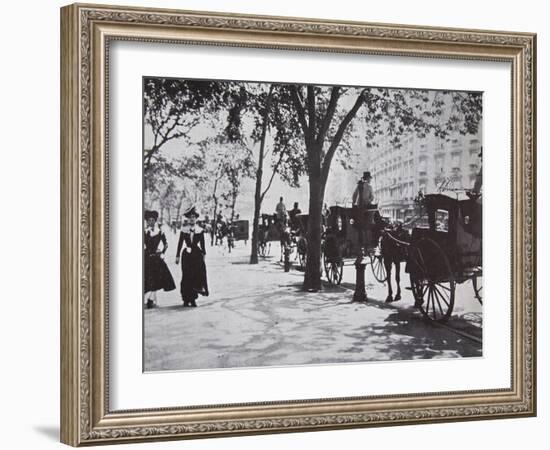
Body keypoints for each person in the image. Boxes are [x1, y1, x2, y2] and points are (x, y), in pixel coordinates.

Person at [176, 206, 209, 307]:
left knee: (196, 276)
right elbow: (180, 243)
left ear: (196, 218)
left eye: (194, 217)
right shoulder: (184, 230)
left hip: (197, 256)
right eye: (190, 217)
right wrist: (177, 256)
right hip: (186, 256)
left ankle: (193, 299)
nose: (192, 219)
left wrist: (204, 254)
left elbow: (202, 244)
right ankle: (186, 299)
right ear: (187, 218)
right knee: (186, 276)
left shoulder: (200, 230)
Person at [144, 210, 176, 309]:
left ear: (155, 221)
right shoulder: (144, 232)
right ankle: (149, 299)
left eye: (153, 220)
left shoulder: (160, 232)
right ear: (147, 221)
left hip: (157, 259)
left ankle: (150, 299)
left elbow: (166, 244)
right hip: (146, 258)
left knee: (157, 279)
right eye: (149, 220)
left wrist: (162, 252)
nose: (151, 222)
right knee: (147, 280)